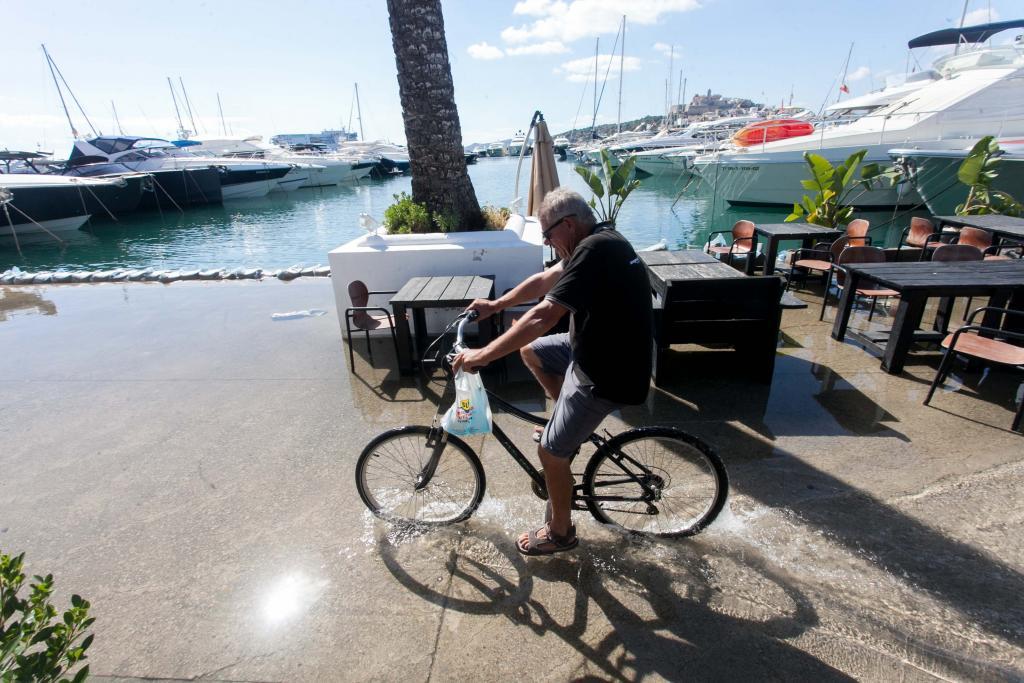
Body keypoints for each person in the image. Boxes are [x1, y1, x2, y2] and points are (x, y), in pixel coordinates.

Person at [452, 188, 654, 556]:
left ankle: (560, 533)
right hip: (595, 350)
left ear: (570, 224)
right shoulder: (596, 243)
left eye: (548, 234)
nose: (546, 242)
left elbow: (544, 315)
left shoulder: (594, 250)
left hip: (607, 372)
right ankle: (565, 424)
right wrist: (497, 305)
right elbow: (545, 280)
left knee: (550, 454)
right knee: (532, 352)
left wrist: (484, 354)